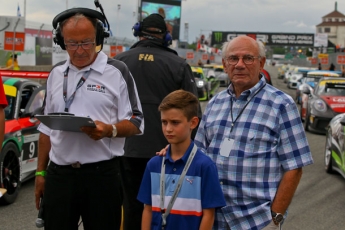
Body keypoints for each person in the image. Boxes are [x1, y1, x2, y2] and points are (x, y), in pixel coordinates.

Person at [34, 8, 144, 230]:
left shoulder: (117, 71)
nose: (80, 50)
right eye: (72, 44)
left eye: (86, 42)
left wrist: (109, 130)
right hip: (60, 175)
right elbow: (46, 130)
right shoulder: (56, 72)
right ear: (61, 42)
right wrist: (40, 172)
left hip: (102, 176)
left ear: (99, 39)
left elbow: (137, 121)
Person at [193, 36, 314, 229]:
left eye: (248, 58)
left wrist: (276, 218)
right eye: (233, 59)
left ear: (261, 63)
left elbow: (295, 167)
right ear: (225, 64)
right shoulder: (215, 103)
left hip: (255, 221)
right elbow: (198, 156)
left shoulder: (281, 105)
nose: (240, 65)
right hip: (211, 219)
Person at [114, 13, 200, 230]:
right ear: (167, 37)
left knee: (131, 207)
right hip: (166, 152)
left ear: (137, 32)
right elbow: (194, 113)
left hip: (125, 150)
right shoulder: (178, 65)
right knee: (167, 207)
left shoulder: (119, 62)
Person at [138, 90, 226, 230]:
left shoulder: (205, 166)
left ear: (193, 123)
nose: (168, 129)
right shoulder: (154, 165)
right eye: (164, 122)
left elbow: (208, 215)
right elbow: (147, 209)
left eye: (175, 122)